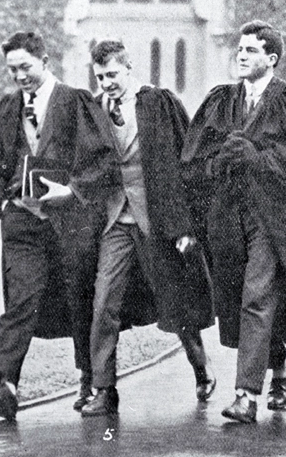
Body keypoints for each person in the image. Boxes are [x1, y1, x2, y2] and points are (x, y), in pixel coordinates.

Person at [181, 20, 286, 424]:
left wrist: (257, 159)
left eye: (252, 50)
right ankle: (280, 368)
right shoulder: (222, 101)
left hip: (274, 219)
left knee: (257, 294)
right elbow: (195, 158)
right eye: (239, 48)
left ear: (271, 58)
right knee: (243, 297)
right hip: (229, 217)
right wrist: (220, 161)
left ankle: (246, 396)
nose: (242, 55)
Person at [0, 32, 118, 420]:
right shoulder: (7, 108)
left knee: (80, 300)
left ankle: (90, 379)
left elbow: (103, 160)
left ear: (45, 60)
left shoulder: (75, 103)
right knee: (21, 296)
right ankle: (5, 383)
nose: (20, 76)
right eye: (13, 70)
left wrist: (71, 191)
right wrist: (2, 204)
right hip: (22, 221)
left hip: (70, 222)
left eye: (26, 67)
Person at [80, 40, 215, 417]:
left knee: (176, 303)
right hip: (115, 221)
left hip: (158, 221)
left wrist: (186, 225)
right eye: (100, 76)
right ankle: (104, 390)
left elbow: (186, 163)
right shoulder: (93, 111)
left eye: (112, 74)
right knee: (103, 302)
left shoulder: (159, 103)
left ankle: (200, 367)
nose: (106, 82)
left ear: (129, 67)